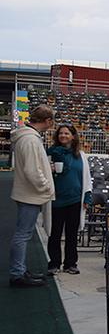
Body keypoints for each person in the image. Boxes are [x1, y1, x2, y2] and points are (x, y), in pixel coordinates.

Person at [9, 105, 55, 287]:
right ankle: (17, 273)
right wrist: (45, 186)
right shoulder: (29, 139)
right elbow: (31, 170)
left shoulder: (29, 137)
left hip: (29, 193)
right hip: (30, 194)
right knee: (23, 234)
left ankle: (20, 269)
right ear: (47, 120)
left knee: (23, 234)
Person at [46, 125, 92, 275]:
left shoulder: (81, 156)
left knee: (72, 235)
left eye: (66, 133)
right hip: (56, 200)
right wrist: (49, 170)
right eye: (60, 133)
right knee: (55, 234)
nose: (63, 135)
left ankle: (70, 263)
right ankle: (54, 263)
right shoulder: (50, 153)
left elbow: (86, 178)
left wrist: (87, 196)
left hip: (75, 200)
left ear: (73, 136)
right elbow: (42, 174)